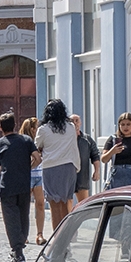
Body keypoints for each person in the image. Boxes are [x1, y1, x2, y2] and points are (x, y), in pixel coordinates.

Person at [0, 112, 39, 262]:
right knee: (23, 215)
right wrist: (28, 168)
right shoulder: (26, 140)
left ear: (0, 128)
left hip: (7, 186)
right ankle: (21, 243)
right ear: (15, 125)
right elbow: (38, 158)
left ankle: (17, 251)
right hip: (24, 184)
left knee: (11, 219)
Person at [35, 99, 81, 234]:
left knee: (54, 206)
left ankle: (58, 242)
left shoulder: (43, 129)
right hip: (69, 167)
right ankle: (66, 238)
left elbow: (36, 147)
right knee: (66, 204)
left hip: (51, 167)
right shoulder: (71, 127)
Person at [20, 117, 47, 245]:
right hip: (27, 177)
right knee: (24, 206)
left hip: (39, 175)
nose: (39, 128)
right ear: (32, 129)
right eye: (37, 126)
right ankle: (23, 234)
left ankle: (39, 234)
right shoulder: (24, 142)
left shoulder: (40, 140)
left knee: (40, 204)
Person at [102, 113, 131, 189]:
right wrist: (112, 151)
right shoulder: (113, 139)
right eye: (122, 124)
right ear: (119, 126)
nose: (125, 127)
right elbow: (103, 159)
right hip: (120, 174)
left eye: (128, 124)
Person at [70, 114, 102, 204]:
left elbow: (95, 155)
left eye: (77, 120)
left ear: (81, 123)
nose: (74, 123)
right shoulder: (64, 139)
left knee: (83, 203)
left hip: (82, 176)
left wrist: (96, 171)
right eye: (72, 121)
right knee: (67, 203)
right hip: (67, 175)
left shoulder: (87, 139)